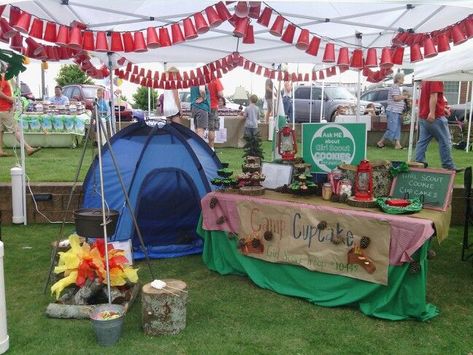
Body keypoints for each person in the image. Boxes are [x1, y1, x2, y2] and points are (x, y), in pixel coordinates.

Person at [415, 81, 461, 172]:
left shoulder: (426, 80)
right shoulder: (436, 79)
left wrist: (442, 108)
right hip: (435, 116)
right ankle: (448, 165)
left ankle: (419, 162)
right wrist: (432, 113)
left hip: (424, 116)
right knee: (445, 141)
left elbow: (428, 97)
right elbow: (433, 96)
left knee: (423, 141)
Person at [0, 65, 40, 157]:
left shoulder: (3, 78)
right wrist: (10, 99)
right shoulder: (3, 78)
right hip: (5, 109)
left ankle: (0, 151)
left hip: (2, 109)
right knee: (16, 130)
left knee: (0, 131)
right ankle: (28, 148)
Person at [377, 73, 406, 149]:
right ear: (398, 79)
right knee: (392, 128)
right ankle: (380, 142)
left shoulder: (396, 87)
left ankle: (397, 144)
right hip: (393, 111)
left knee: (397, 128)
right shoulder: (395, 87)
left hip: (397, 111)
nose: (404, 80)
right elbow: (395, 98)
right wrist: (404, 97)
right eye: (403, 78)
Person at [207, 77, 224, 150]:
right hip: (213, 106)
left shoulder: (202, 79)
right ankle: (211, 148)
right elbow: (220, 94)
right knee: (212, 128)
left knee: (200, 128)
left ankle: (200, 147)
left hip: (203, 106)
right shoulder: (216, 80)